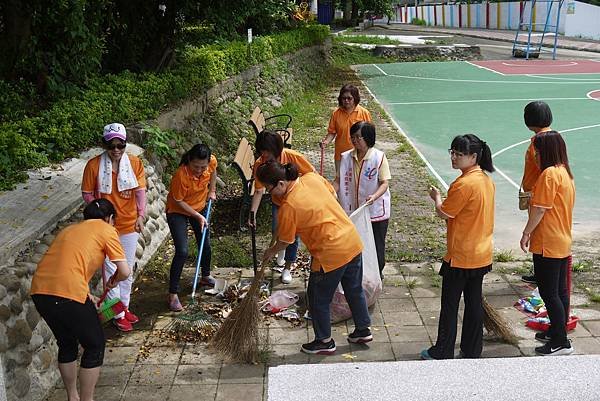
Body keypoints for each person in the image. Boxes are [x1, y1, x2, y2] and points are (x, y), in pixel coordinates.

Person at [257, 161, 372, 355]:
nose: (271, 194)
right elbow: (333, 195)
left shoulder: (289, 206)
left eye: (270, 189)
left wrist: (270, 252)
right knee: (353, 289)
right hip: (351, 241)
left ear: (281, 184)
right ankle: (363, 329)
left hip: (329, 253)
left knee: (318, 298)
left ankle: (324, 341)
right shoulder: (311, 178)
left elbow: (286, 240)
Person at [31, 199, 131, 401]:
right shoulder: (106, 229)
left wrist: (87, 295)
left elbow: (66, 266)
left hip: (41, 291)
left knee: (67, 343)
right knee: (94, 345)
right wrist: (114, 280)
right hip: (68, 293)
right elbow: (124, 271)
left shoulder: (69, 230)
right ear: (109, 218)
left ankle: (73, 397)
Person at [421, 134, 495, 360]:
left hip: (461, 255)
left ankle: (442, 350)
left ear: (473, 156)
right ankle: (472, 349)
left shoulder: (463, 184)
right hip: (482, 253)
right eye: (452, 152)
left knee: (450, 306)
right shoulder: (485, 180)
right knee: (473, 304)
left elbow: (444, 212)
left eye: (459, 154)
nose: (454, 157)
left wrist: (436, 198)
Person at [81, 123, 146, 332]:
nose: (116, 150)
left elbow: (140, 191)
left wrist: (141, 215)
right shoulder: (93, 166)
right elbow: (87, 194)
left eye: (121, 145)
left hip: (129, 224)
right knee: (111, 270)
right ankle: (116, 314)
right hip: (106, 227)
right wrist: (98, 212)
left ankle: (124, 307)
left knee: (126, 270)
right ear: (105, 145)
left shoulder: (135, 163)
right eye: (112, 146)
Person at [519, 131, 575, 356]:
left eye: (538, 153)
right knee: (559, 292)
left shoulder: (549, 175)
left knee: (549, 293)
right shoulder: (565, 173)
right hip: (561, 239)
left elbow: (540, 208)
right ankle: (557, 330)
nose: (536, 157)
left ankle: (561, 341)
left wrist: (526, 233)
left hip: (547, 242)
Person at [248, 130, 315, 284]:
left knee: (292, 236)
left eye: (267, 154)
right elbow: (259, 190)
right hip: (278, 203)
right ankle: (281, 250)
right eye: (262, 153)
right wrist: (252, 213)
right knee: (276, 230)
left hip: (297, 205)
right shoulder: (260, 164)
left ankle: (287, 267)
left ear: (276, 150)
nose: (264, 158)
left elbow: (312, 175)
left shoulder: (293, 157)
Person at [334, 121, 391, 279]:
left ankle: (376, 275)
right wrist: (331, 191)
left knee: (376, 244)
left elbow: (384, 183)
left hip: (375, 210)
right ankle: (359, 274)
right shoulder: (346, 157)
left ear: (368, 138)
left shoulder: (378, 158)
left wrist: (374, 196)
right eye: (352, 137)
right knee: (356, 244)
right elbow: (338, 180)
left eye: (358, 137)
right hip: (354, 210)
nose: (354, 140)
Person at [166, 144, 217, 312]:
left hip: (200, 207)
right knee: (182, 251)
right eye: (196, 166)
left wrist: (212, 190)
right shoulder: (180, 176)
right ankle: (173, 294)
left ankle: (205, 276)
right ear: (189, 160)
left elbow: (213, 171)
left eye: (203, 167)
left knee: (205, 243)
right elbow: (179, 201)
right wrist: (197, 216)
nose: (200, 170)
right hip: (178, 211)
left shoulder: (210, 163)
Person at [520, 101, 554, 285]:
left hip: (538, 195)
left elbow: (544, 169)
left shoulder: (539, 142)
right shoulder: (552, 137)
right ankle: (541, 272)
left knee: (537, 232)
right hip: (539, 193)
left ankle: (542, 274)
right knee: (538, 232)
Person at [322, 84, 372, 173]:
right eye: (344, 98)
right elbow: (332, 132)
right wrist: (326, 142)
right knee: (341, 179)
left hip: (359, 154)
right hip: (340, 154)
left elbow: (370, 134)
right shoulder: (336, 113)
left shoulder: (364, 113)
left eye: (349, 98)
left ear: (355, 98)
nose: (346, 101)